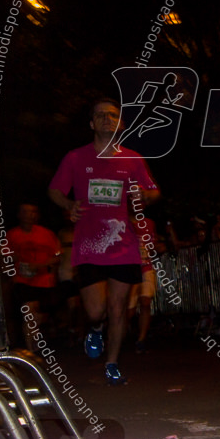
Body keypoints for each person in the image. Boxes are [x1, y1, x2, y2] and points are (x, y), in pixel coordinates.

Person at [48, 98, 160, 385]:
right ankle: (95, 328)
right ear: (91, 124)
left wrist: (146, 196)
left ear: (120, 123)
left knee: (118, 309)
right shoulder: (76, 158)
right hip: (89, 246)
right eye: (100, 115)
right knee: (97, 310)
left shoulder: (133, 159)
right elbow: (55, 190)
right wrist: (68, 204)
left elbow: (153, 190)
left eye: (112, 115)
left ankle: (111, 363)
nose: (107, 119)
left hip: (123, 245)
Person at [9, 203, 61, 350]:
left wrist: (40, 265)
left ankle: (37, 341)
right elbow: (4, 257)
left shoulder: (47, 234)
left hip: (44, 281)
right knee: (29, 311)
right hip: (23, 281)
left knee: (39, 315)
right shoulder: (12, 235)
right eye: (25, 212)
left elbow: (57, 256)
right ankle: (31, 348)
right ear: (19, 215)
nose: (29, 215)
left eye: (32, 212)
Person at [128, 217, 158, 353]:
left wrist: (150, 251)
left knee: (145, 301)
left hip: (146, 267)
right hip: (129, 270)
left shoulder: (150, 223)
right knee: (129, 310)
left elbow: (153, 246)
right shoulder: (122, 220)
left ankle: (141, 339)